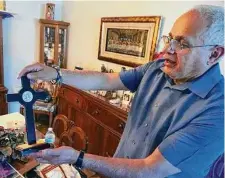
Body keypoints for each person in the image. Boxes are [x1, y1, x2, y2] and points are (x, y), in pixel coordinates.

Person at [18, 5, 224, 178]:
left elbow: (150, 169)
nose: (168, 49)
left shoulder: (217, 111)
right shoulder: (158, 68)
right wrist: (55, 73)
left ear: (214, 54)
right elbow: (107, 79)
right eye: (169, 39)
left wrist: (77, 157)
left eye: (182, 43)